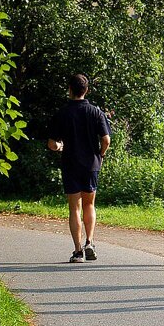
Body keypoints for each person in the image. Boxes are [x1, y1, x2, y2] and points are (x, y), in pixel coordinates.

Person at [47, 74, 111, 263]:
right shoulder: (95, 112)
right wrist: (101, 154)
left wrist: (60, 147)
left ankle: (77, 251)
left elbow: (51, 143)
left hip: (70, 164)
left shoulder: (62, 113)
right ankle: (89, 242)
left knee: (74, 208)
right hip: (91, 164)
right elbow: (106, 140)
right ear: (86, 90)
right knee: (89, 204)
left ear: (69, 89)